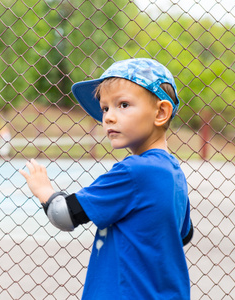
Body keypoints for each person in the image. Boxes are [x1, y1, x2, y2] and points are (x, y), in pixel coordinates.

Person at [19, 58, 194, 299]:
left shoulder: (134, 171)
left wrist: (44, 191)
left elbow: (64, 215)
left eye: (123, 104)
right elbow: (184, 234)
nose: (109, 117)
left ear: (161, 112)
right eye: (105, 108)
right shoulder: (174, 172)